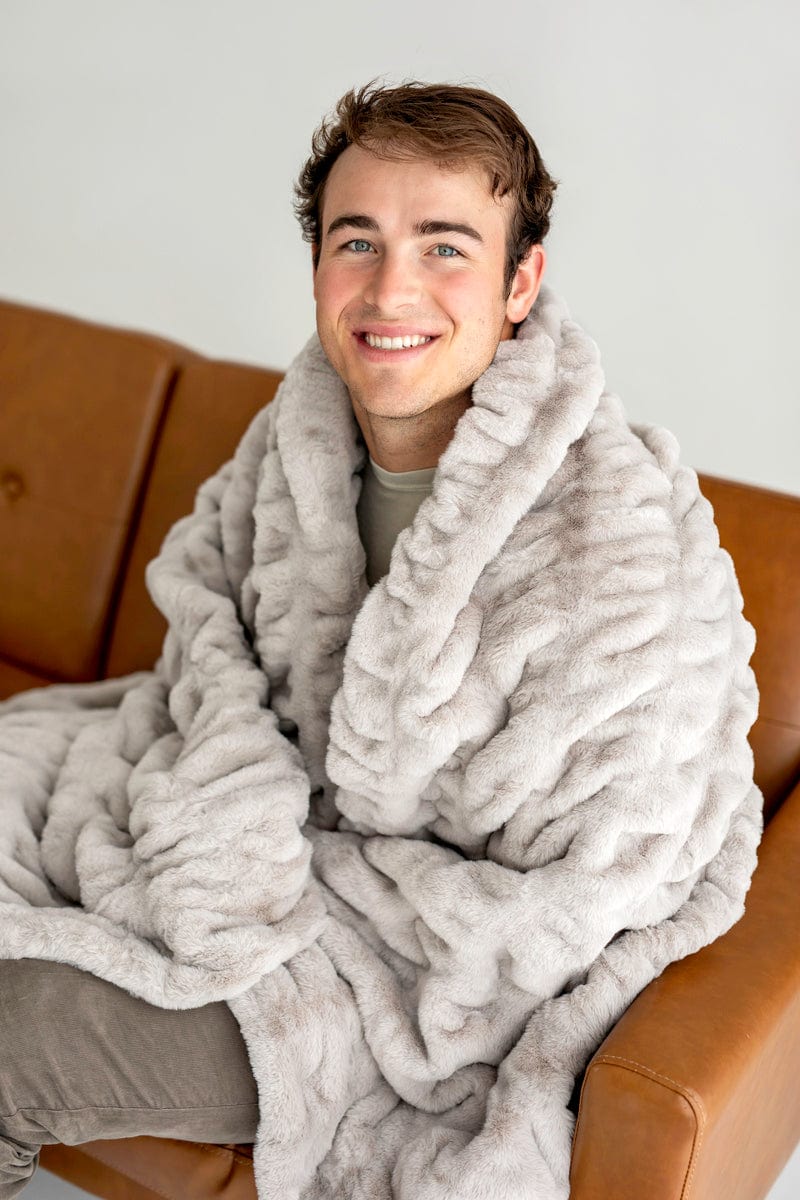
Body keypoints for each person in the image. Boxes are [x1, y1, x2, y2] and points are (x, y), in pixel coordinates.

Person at [0, 82, 762, 1200]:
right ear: (317, 265)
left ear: (519, 284)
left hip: (409, 979)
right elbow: (210, 648)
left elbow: (598, 877)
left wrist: (302, 891)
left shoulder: (614, 546)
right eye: (356, 240)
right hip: (241, 854)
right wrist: (225, 841)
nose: (390, 288)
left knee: (14, 1036)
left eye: (443, 247)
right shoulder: (293, 440)